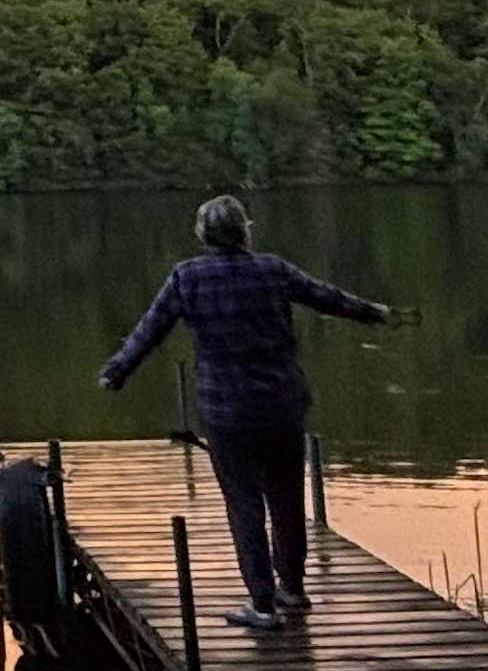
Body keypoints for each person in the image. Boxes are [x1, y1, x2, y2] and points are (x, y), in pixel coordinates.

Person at [98, 195, 409, 630]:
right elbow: (328, 298)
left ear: (203, 235)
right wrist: (375, 314)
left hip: (227, 412)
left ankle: (262, 605)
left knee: (244, 506)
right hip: (282, 405)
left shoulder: (188, 278)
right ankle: (294, 591)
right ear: (245, 231)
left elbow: (150, 330)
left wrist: (117, 371)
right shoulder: (272, 270)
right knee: (286, 500)